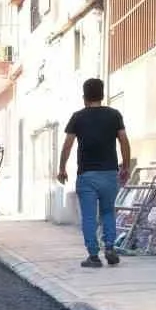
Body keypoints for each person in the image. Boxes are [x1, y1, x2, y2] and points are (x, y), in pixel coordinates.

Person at [56, 77, 132, 268]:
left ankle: (93, 256)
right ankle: (110, 247)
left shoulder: (78, 117)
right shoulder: (114, 115)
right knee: (108, 212)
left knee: (89, 216)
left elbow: (67, 145)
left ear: (84, 97)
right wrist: (126, 166)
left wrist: (62, 168)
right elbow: (123, 140)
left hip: (87, 175)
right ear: (102, 95)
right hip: (109, 173)